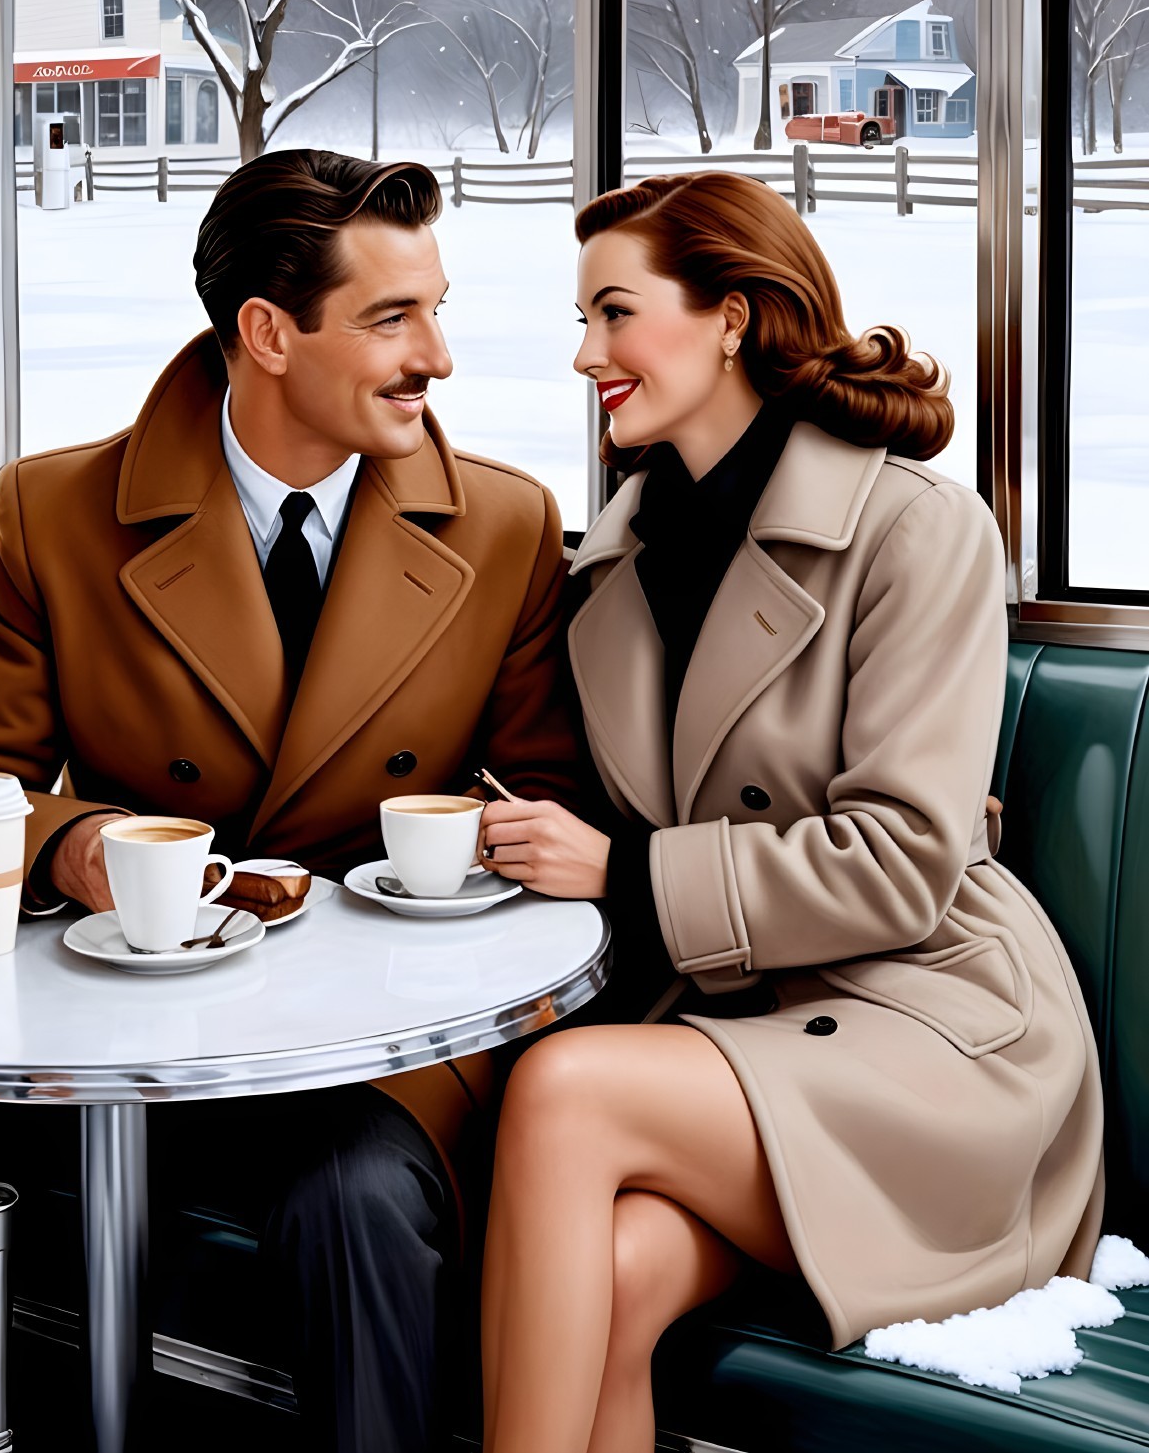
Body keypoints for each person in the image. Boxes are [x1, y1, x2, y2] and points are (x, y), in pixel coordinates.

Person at [0, 149, 582, 1450]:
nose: (438, 357)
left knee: (354, 1199)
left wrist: (439, 872)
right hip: (116, 1020)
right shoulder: (55, 512)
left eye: (437, 310)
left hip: (381, 1045)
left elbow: (544, 803)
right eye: (392, 318)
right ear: (269, 334)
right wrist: (82, 847)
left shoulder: (506, 527)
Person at [473, 171, 1105, 1453]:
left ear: (731, 317)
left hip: (932, 1032)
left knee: (564, 1089)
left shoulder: (918, 529)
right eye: (583, 320)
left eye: (614, 312)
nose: (585, 355)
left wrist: (624, 872)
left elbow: (903, 865)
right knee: (617, 1277)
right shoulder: (611, 567)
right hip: (748, 1034)